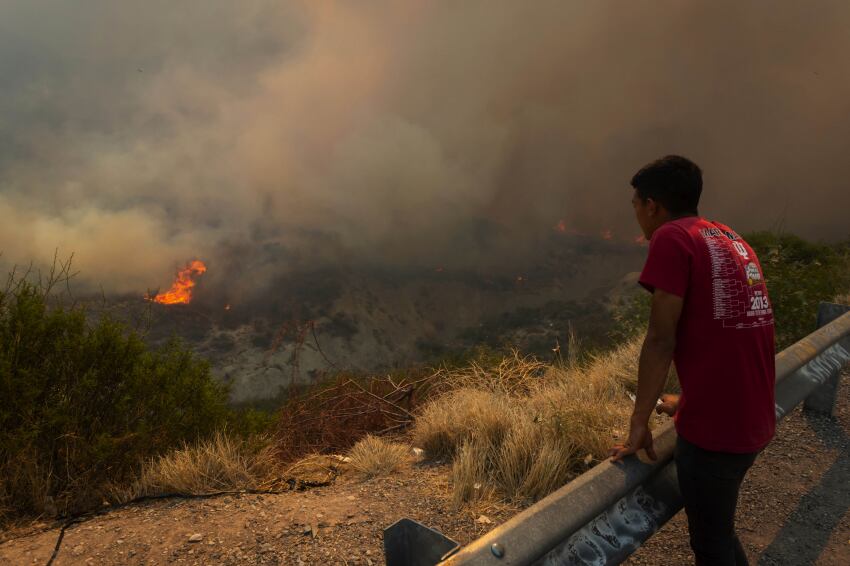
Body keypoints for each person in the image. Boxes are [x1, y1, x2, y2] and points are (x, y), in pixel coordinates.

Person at [609, 155, 776, 565]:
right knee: (718, 534)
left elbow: (661, 338)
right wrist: (686, 401)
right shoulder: (730, 237)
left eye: (635, 206)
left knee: (711, 545)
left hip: (718, 432)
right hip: (753, 414)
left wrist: (638, 420)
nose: (637, 217)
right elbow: (729, 331)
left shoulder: (671, 237)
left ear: (652, 205)